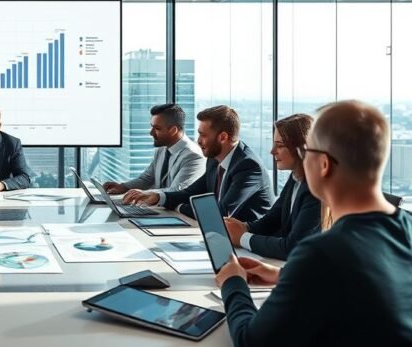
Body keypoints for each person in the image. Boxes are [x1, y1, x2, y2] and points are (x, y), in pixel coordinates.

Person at [167, 101, 412, 347]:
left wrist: (233, 282)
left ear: (324, 165)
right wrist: (286, 275)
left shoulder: (323, 254)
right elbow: (369, 287)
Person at [123, 105, 274, 223]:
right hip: (219, 234)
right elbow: (190, 193)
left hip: (247, 246)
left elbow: (220, 213)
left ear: (222, 137)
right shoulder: (215, 160)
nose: (198, 140)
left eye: (203, 135)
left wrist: (179, 206)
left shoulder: (247, 166)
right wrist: (157, 196)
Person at [223, 114, 321, 260]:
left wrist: (243, 238)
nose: (272, 151)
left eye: (280, 145)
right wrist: (245, 227)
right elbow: (272, 219)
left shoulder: (316, 189)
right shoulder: (296, 177)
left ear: (302, 148)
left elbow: (292, 247)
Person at [101, 103, 205, 200]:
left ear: (173, 130)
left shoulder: (193, 156)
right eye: (152, 127)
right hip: (159, 207)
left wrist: (144, 194)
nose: (151, 133)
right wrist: (123, 187)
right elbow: (147, 178)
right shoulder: (162, 149)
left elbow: (177, 190)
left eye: (157, 128)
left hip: (176, 212)